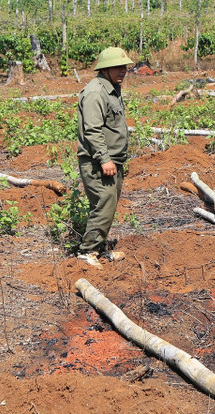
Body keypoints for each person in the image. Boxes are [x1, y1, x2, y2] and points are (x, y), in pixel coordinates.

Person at [76, 46, 134, 269]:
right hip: (98, 162)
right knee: (104, 205)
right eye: (117, 67)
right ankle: (87, 252)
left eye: (125, 67)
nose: (123, 71)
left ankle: (98, 250)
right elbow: (92, 130)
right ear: (105, 69)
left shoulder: (112, 88)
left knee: (107, 206)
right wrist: (104, 159)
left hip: (112, 160)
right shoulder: (95, 92)